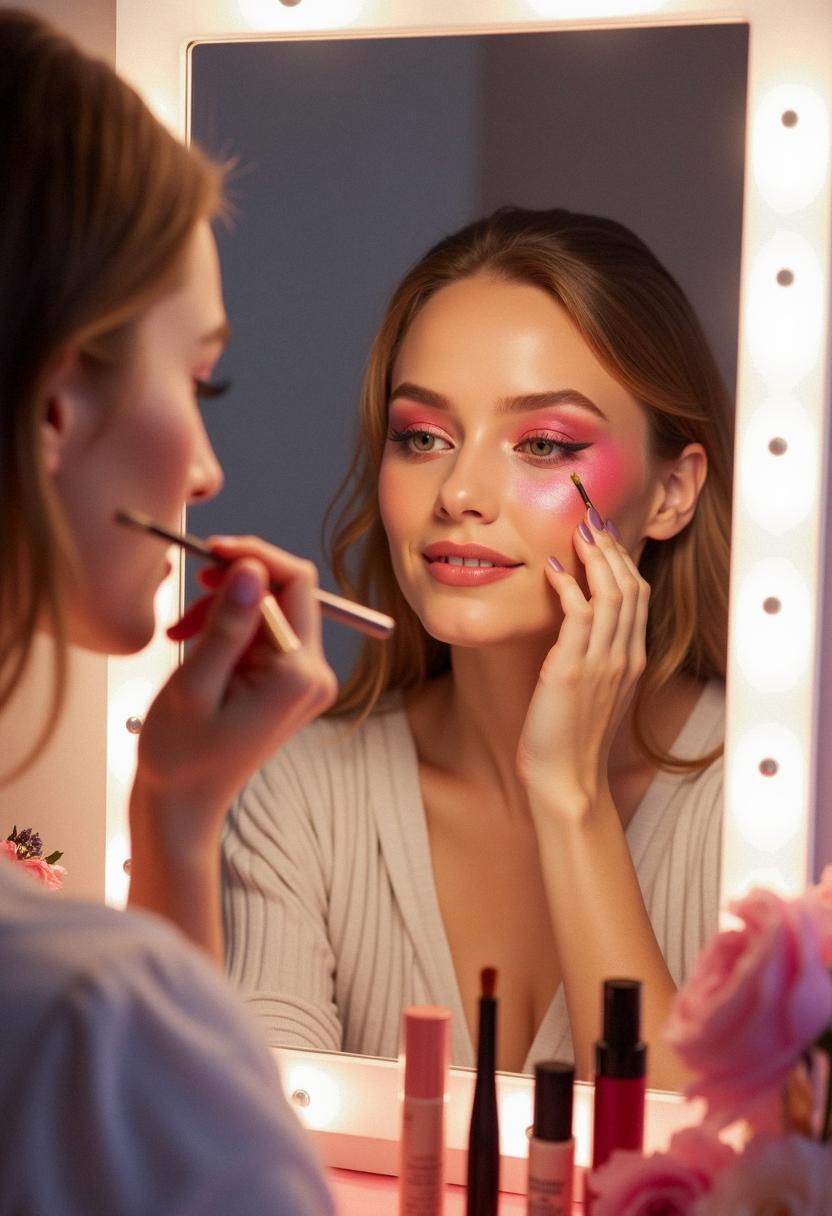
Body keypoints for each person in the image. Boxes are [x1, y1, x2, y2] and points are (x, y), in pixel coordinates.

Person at [221, 207, 733, 1089]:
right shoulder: (300, 793)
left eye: (541, 443)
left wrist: (572, 803)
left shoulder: (772, 802)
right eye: (424, 437)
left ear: (672, 492)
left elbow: (708, 1170)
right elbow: (246, 1150)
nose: (459, 489)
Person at [0, 12, 337, 1213]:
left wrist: (179, 815)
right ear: (53, 408)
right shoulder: (85, 1020)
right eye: (200, 381)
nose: (204, 471)